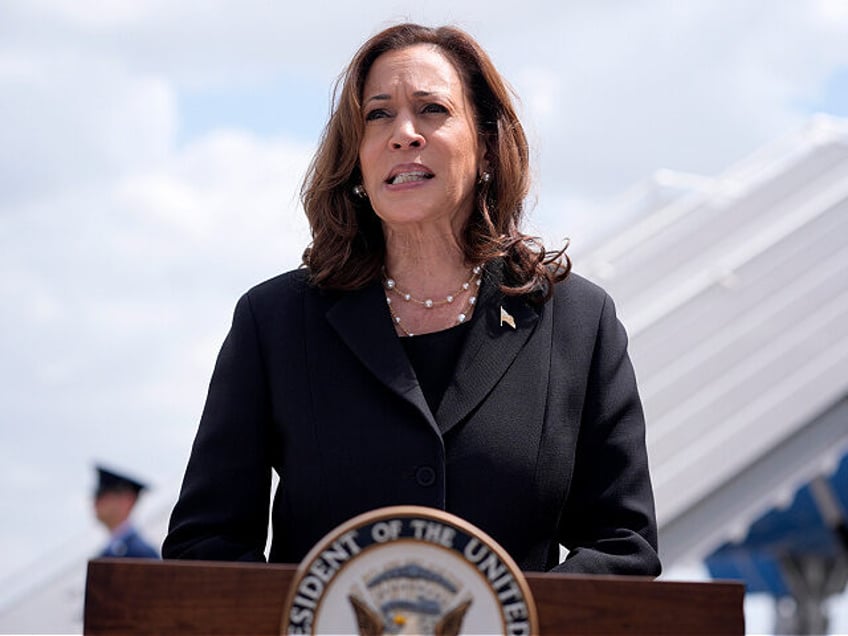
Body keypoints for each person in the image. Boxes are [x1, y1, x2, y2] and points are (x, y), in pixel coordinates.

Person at [163, 23, 661, 576]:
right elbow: (204, 548)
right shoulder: (273, 322)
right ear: (357, 157)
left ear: (488, 145)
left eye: (432, 109)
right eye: (378, 115)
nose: (404, 133)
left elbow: (623, 550)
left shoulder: (577, 323)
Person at [94, 465, 159, 559]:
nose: (96, 502)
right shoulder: (109, 552)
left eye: (103, 496)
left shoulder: (141, 554)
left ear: (127, 500)